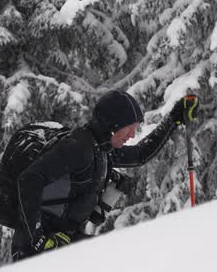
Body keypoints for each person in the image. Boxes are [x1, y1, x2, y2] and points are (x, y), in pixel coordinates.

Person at [11, 90, 199, 261]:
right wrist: (38, 239)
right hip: (36, 250)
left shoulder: (101, 149)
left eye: (136, 127)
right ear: (113, 124)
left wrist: (174, 118)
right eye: (129, 128)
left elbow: (140, 154)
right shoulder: (78, 148)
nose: (133, 135)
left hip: (64, 241)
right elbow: (29, 179)